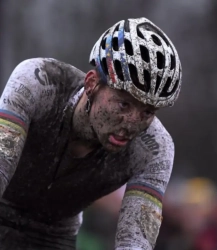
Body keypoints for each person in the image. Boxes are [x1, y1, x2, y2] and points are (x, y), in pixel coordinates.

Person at [0, 17, 182, 250]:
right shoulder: (39, 82)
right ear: (92, 83)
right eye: (124, 105)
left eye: (147, 112)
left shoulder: (156, 148)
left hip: (54, 235)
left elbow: (135, 242)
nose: (131, 124)